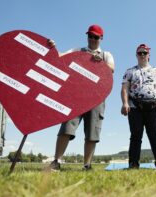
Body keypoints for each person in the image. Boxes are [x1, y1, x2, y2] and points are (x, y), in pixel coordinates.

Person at [48, 24, 115, 170]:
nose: (92, 39)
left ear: (101, 38)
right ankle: (56, 161)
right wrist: (51, 48)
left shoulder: (106, 55)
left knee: (92, 132)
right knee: (66, 127)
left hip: (97, 98)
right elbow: (60, 57)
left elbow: (111, 69)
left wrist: (100, 62)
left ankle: (87, 165)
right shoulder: (78, 50)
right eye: (90, 36)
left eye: (95, 37)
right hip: (76, 96)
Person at [121, 44, 156, 169]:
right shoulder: (130, 71)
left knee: (155, 135)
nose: (142, 55)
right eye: (140, 53)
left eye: (144, 53)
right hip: (135, 106)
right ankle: (133, 164)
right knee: (136, 135)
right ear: (136, 55)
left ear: (148, 55)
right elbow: (124, 88)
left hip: (153, 106)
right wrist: (125, 103)